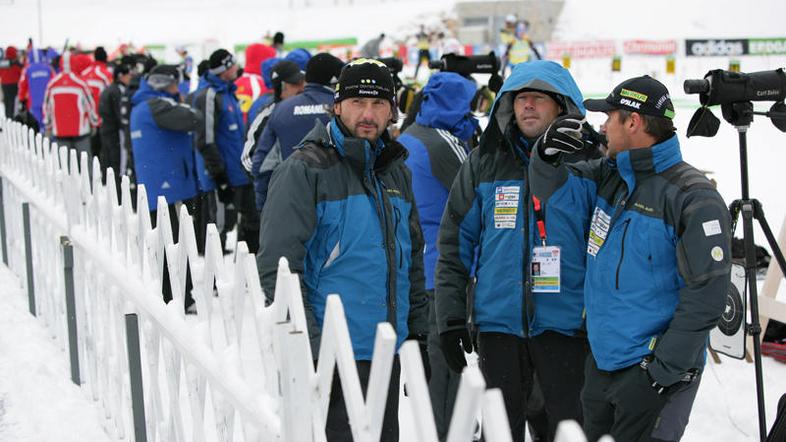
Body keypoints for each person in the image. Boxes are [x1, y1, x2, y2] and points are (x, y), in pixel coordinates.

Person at [529, 75, 731, 442]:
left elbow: (706, 300)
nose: (602, 126)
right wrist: (545, 156)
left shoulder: (692, 197)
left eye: (609, 117)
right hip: (603, 366)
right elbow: (556, 194)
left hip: (656, 376)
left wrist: (658, 375)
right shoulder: (611, 178)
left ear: (633, 122)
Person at [257, 58, 429, 442]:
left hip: (386, 349)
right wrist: (312, 346)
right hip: (332, 355)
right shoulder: (305, 168)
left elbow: (410, 258)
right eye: (356, 103)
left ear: (392, 110)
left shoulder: (395, 171)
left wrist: (418, 333)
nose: (367, 114)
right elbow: (279, 268)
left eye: (378, 104)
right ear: (337, 106)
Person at [435, 60, 602, 442]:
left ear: (562, 106)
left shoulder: (590, 163)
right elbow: (453, 246)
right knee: (498, 435)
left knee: (567, 434)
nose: (527, 106)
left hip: (567, 331)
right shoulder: (484, 162)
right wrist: (451, 318)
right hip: (498, 329)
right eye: (520, 98)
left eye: (538, 99)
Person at [397, 71, 478, 442]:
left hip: (420, 269)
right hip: (443, 272)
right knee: (449, 375)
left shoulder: (410, 136)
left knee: (435, 374)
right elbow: (478, 190)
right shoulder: (443, 143)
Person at [250, 52, 344, 212]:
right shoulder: (342, 108)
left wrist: (265, 209)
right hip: (337, 202)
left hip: (291, 203)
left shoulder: (281, 109)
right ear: (335, 81)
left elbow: (262, 164)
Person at [190, 49, 248, 252]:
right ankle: (212, 279)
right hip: (221, 175)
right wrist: (220, 176)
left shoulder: (228, 92)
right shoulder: (209, 95)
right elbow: (205, 139)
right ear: (223, 69)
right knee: (218, 227)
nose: (236, 68)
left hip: (236, 173)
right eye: (232, 65)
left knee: (234, 223)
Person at [43, 51, 99, 162]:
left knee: (65, 165)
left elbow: (47, 107)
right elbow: (90, 105)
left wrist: (48, 125)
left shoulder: (52, 84)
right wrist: (94, 123)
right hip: (81, 132)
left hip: (60, 131)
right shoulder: (81, 83)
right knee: (85, 164)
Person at [98, 62, 133, 190]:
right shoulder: (117, 91)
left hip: (106, 130)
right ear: (120, 76)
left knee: (109, 163)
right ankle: (119, 192)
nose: (130, 77)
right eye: (128, 75)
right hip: (115, 133)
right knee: (118, 164)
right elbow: (120, 115)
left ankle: (112, 189)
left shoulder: (108, 89)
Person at [82, 46, 113, 162]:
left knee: (89, 153)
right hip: (101, 119)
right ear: (105, 58)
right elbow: (112, 96)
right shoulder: (106, 75)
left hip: (87, 119)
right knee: (102, 153)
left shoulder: (84, 74)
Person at [17, 47, 54, 129]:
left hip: (33, 102)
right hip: (47, 101)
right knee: (47, 122)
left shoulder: (27, 69)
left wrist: (21, 98)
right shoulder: (48, 68)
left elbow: (22, 85)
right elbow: (53, 83)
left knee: (36, 124)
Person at [0, 45, 22, 118]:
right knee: (14, 102)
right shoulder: (16, 63)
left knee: (7, 102)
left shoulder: (3, 63)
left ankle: (8, 117)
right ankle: (14, 117)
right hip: (14, 84)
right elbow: (21, 73)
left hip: (5, 85)